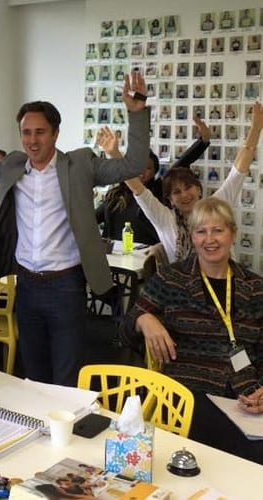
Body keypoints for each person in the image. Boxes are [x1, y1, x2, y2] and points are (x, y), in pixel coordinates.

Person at [0, 73, 150, 386]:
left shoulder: (81, 164)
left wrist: (137, 112)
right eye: (26, 133)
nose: (32, 140)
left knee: (66, 373)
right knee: (32, 372)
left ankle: (64, 431)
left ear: (56, 133)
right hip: (27, 285)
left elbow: (133, 164)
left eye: (40, 132)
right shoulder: (12, 167)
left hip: (66, 286)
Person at [120, 197, 263, 464]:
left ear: (233, 234)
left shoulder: (255, 287)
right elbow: (125, 328)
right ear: (193, 237)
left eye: (218, 230)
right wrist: (144, 319)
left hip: (245, 394)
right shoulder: (171, 279)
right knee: (215, 453)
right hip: (187, 391)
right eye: (201, 231)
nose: (210, 239)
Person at [123, 102, 263, 263]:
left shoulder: (216, 205)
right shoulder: (164, 219)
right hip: (182, 286)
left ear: (198, 189)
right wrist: (114, 154)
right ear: (170, 200)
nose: (184, 195)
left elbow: (237, 173)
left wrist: (256, 129)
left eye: (188, 187)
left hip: (225, 281)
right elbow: (138, 190)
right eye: (176, 192)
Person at [95, 117, 211, 246]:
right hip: (114, 257)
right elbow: (92, 218)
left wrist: (203, 141)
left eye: (148, 168)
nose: (141, 172)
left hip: (147, 257)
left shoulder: (159, 190)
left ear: (154, 171)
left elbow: (181, 163)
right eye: (138, 167)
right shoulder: (115, 195)